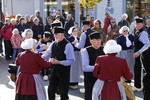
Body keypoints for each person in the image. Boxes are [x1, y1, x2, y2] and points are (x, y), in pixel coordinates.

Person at [42, 27, 75, 100]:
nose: (55, 36)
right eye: (54, 34)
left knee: (63, 93)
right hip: (54, 70)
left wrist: (59, 62)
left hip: (64, 72)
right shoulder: (53, 43)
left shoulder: (68, 45)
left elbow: (71, 60)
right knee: (50, 90)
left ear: (62, 34)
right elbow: (46, 55)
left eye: (57, 34)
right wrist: (38, 59)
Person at [81, 32, 105, 100]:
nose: (99, 41)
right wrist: (98, 68)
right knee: (90, 96)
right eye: (96, 40)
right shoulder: (85, 51)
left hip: (102, 78)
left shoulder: (105, 49)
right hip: (90, 78)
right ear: (91, 41)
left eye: (99, 39)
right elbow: (85, 67)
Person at [132, 18, 150, 91]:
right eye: (136, 24)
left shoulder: (143, 32)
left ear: (142, 24)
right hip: (139, 54)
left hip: (142, 55)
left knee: (139, 69)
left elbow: (147, 44)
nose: (137, 25)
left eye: (139, 24)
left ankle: (139, 86)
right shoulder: (138, 31)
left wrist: (139, 52)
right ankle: (138, 85)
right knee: (137, 69)